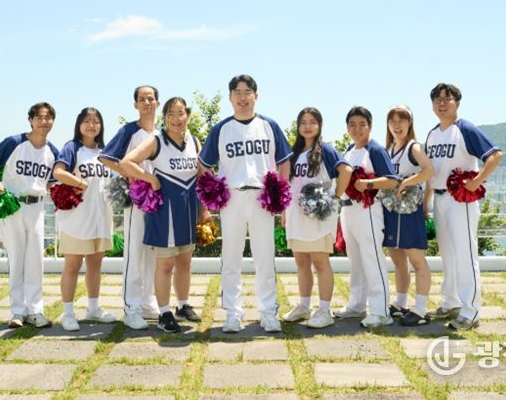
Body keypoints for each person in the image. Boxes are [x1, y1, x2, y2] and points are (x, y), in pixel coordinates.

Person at [199, 74, 292, 333]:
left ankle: (268, 312)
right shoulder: (221, 128)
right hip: (232, 197)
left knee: (265, 258)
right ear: (230, 97)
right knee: (230, 258)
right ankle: (233, 313)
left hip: (262, 197)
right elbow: (203, 165)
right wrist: (213, 190)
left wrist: (280, 190)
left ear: (256, 95)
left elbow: (285, 161)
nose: (242, 97)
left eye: (247, 92)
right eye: (237, 92)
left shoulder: (269, 125)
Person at [120, 97, 208, 333]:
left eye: (181, 113)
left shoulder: (194, 142)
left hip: (187, 210)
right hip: (164, 212)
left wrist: (204, 209)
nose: (177, 119)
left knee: (185, 262)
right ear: (165, 117)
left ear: (188, 115)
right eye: (171, 114)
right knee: (166, 264)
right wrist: (150, 178)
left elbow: (201, 176)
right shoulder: (156, 140)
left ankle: (182, 305)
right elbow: (127, 162)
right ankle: (164, 313)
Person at [424, 83, 503, 331]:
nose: (442, 103)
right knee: (448, 254)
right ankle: (451, 302)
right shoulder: (432, 134)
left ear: (457, 102)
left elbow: (495, 155)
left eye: (447, 98)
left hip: (461, 200)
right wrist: (426, 202)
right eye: (437, 99)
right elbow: (430, 171)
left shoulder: (464, 128)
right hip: (439, 198)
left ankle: (471, 311)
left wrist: (477, 181)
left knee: (466, 254)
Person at [0, 102, 59, 329]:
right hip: (13, 205)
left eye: (48, 118)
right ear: (31, 120)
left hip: (37, 207)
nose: (44, 122)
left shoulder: (52, 151)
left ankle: (35, 310)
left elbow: (52, 183)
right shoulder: (14, 142)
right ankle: (17, 311)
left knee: (36, 260)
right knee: (16, 259)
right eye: (39, 117)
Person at [98, 86, 160, 330]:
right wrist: (130, 174)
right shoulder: (129, 130)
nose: (147, 102)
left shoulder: (161, 133)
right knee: (134, 253)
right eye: (142, 99)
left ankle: (147, 301)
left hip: (158, 199)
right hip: (137, 198)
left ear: (157, 103)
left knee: (152, 253)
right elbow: (106, 157)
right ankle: (131, 308)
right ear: (135, 104)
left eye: (151, 98)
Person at [283, 107, 351, 328]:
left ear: (320, 125)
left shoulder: (326, 150)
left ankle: (324, 310)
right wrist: (284, 212)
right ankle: (304, 306)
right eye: (303, 122)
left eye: (312, 122)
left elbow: (346, 171)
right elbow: (288, 184)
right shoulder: (293, 153)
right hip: (296, 215)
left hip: (318, 217)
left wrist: (335, 197)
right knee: (301, 262)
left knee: (320, 262)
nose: (307, 126)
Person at [334, 106, 399, 329]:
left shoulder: (376, 149)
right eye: (352, 124)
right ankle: (356, 305)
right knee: (356, 260)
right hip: (348, 210)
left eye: (362, 124)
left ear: (370, 126)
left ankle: (381, 311)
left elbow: (392, 180)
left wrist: (368, 184)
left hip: (368, 209)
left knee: (372, 259)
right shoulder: (349, 149)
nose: (357, 129)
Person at [53, 107, 116, 331]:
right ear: (79, 124)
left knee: (95, 264)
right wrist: (80, 183)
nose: (92, 125)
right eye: (87, 121)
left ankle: (93, 308)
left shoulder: (105, 151)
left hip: (101, 216)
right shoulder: (72, 148)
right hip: (77, 218)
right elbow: (58, 172)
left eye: (96, 121)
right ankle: (68, 313)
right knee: (73, 264)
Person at [382, 105, 435, 326]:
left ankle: (421, 310)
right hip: (392, 211)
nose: (397, 125)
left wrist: (406, 183)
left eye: (401, 120)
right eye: (392, 121)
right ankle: (401, 303)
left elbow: (429, 171)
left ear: (409, 123)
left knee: (417, 260)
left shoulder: (414, 147)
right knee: (397, 259)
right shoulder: (389, 149)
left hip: (410, 212)